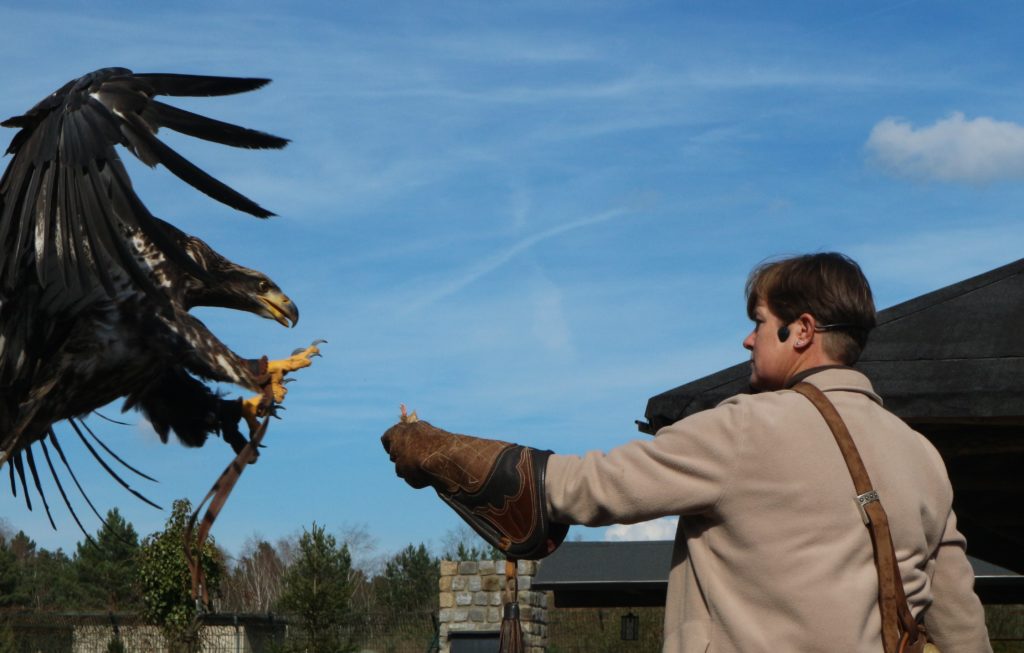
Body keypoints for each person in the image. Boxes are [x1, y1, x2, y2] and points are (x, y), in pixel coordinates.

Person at [382, 252, 991, 652]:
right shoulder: (922, 457)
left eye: (758, 320)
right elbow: (962, 626)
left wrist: (431, 450)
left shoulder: (746, 429)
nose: (747, 337)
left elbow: (578, 489)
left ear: (800, 331)